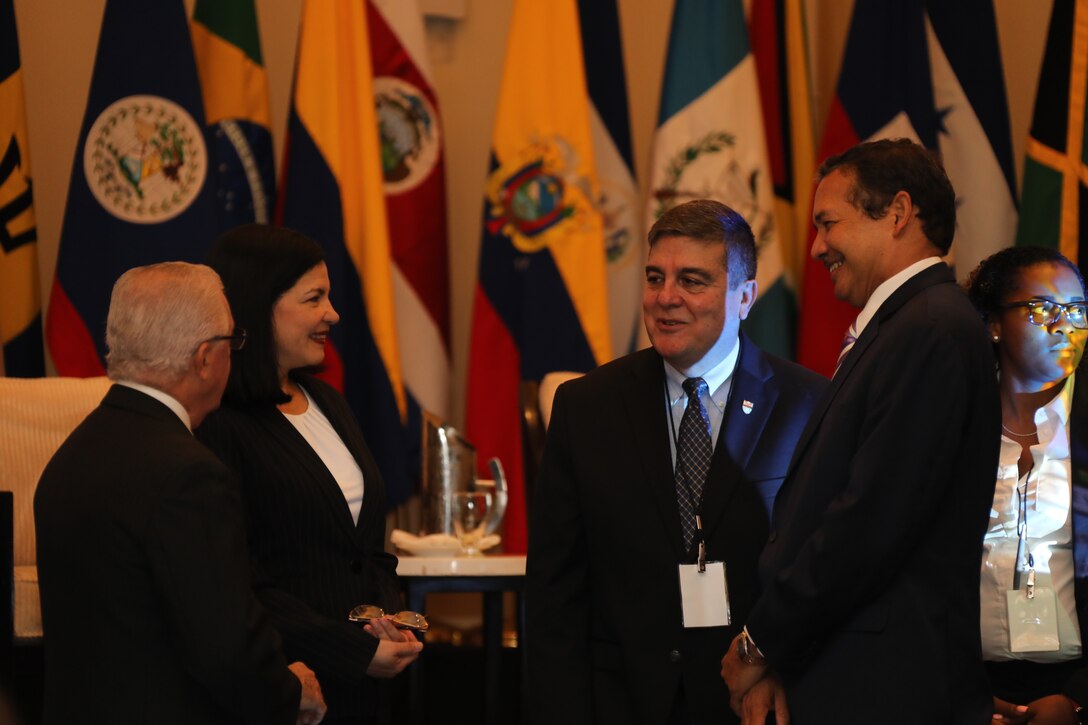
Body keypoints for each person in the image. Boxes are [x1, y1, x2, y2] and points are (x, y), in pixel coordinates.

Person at [720, 138, 1002, 724]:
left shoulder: (930, 329)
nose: (817, 246)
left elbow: (869, 521)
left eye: (829, 223)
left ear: (897, 214)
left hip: (887, 689)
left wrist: (761, 643)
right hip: (854, 673)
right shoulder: (909, 326)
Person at [525, 199, 827, 725]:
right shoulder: (585, 406)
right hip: (620, 701)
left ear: (746, 297)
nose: (666, 299)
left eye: (692, 280)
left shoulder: (806, 405)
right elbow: (555, 595)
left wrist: (779, 667)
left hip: (752, 702)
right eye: (655, 277)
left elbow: (819, 569)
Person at [34, 262, 327, 725]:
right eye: (232, 342)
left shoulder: (70, 456)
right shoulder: (190, 477)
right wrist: (291, 692)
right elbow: (227, 650)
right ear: (206, 358)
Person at [196, 224, 422, 725]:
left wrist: (387, 624)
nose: (333, 314)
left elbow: (367, 549)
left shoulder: (330, 402)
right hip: (290, 686)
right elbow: (240, 581)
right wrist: (348, 650)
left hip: (367, 686)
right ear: (258, 307)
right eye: (314, 298)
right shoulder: (217, 424)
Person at [966, 247, 1088, 725]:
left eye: (1078, 310)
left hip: (1072, 685)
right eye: (1044, 309)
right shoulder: (955, 421)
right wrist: (960, 691)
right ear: (994, 324)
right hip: (968, 683)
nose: (1067, 326)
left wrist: (1077, 699)